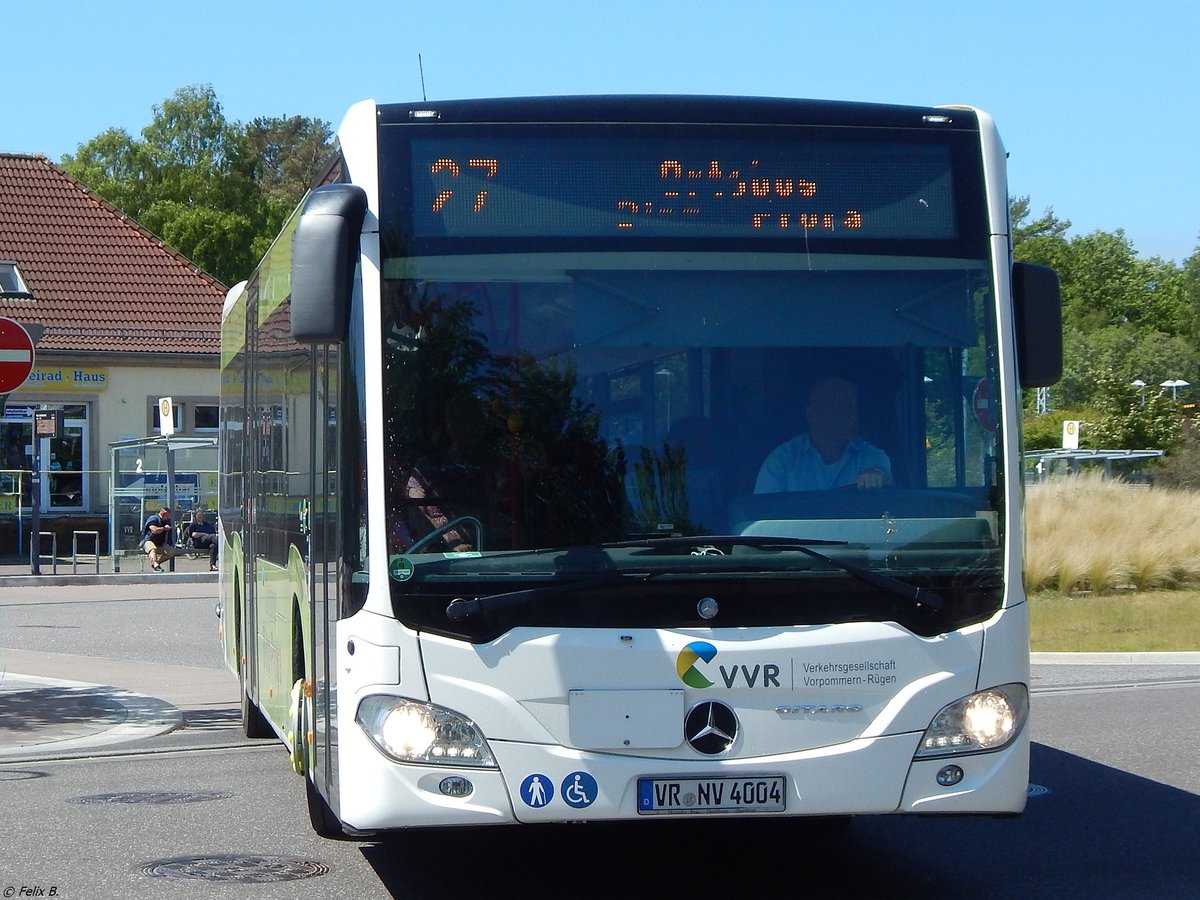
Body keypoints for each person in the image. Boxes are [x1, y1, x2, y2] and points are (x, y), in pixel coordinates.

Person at [754, 376, 892, 493]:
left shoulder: (871, 456)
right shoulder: (782, 460)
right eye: (829, 406)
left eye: (846, 406)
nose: (837, 414)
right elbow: (763, 513)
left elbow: (886, 503)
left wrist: (876, 476)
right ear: (810, 413)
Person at [141, 506, 176, 572]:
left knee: (171, 552)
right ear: (163, 514)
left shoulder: (167, 521)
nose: (168, 518)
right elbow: (154, 530)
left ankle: (156, 564)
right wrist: (164, 528)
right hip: (149, 541)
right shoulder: (153, 518)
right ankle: (156, 565)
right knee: (153, 549)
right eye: (167, 516)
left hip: (160, 543)